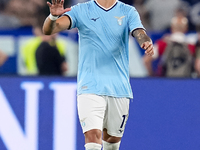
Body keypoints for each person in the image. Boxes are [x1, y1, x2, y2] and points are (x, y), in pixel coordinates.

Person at [42, 0, 154, 149]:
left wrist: (145, 41)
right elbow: (49, 30)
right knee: (93, 136)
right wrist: (53, 17)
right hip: (90, 86)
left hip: (118, 88)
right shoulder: (81, 10)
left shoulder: (128, 11)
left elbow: (138, 31)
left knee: (112, 143)